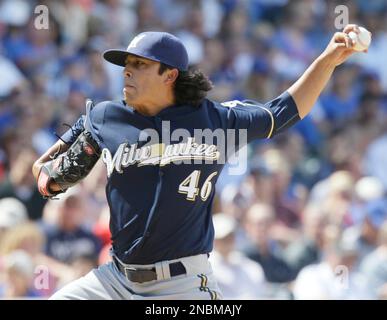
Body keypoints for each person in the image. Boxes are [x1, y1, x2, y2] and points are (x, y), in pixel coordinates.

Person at [32, 26, 366, 300]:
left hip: (183, 285)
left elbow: (284, 112)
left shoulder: (214, 120)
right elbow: (43, 174)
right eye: (126, 64)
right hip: (114, 280)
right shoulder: (106, 117)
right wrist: (51, 176)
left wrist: (328, 59)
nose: (127, 71)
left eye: (140, 64)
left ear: (170, 75)